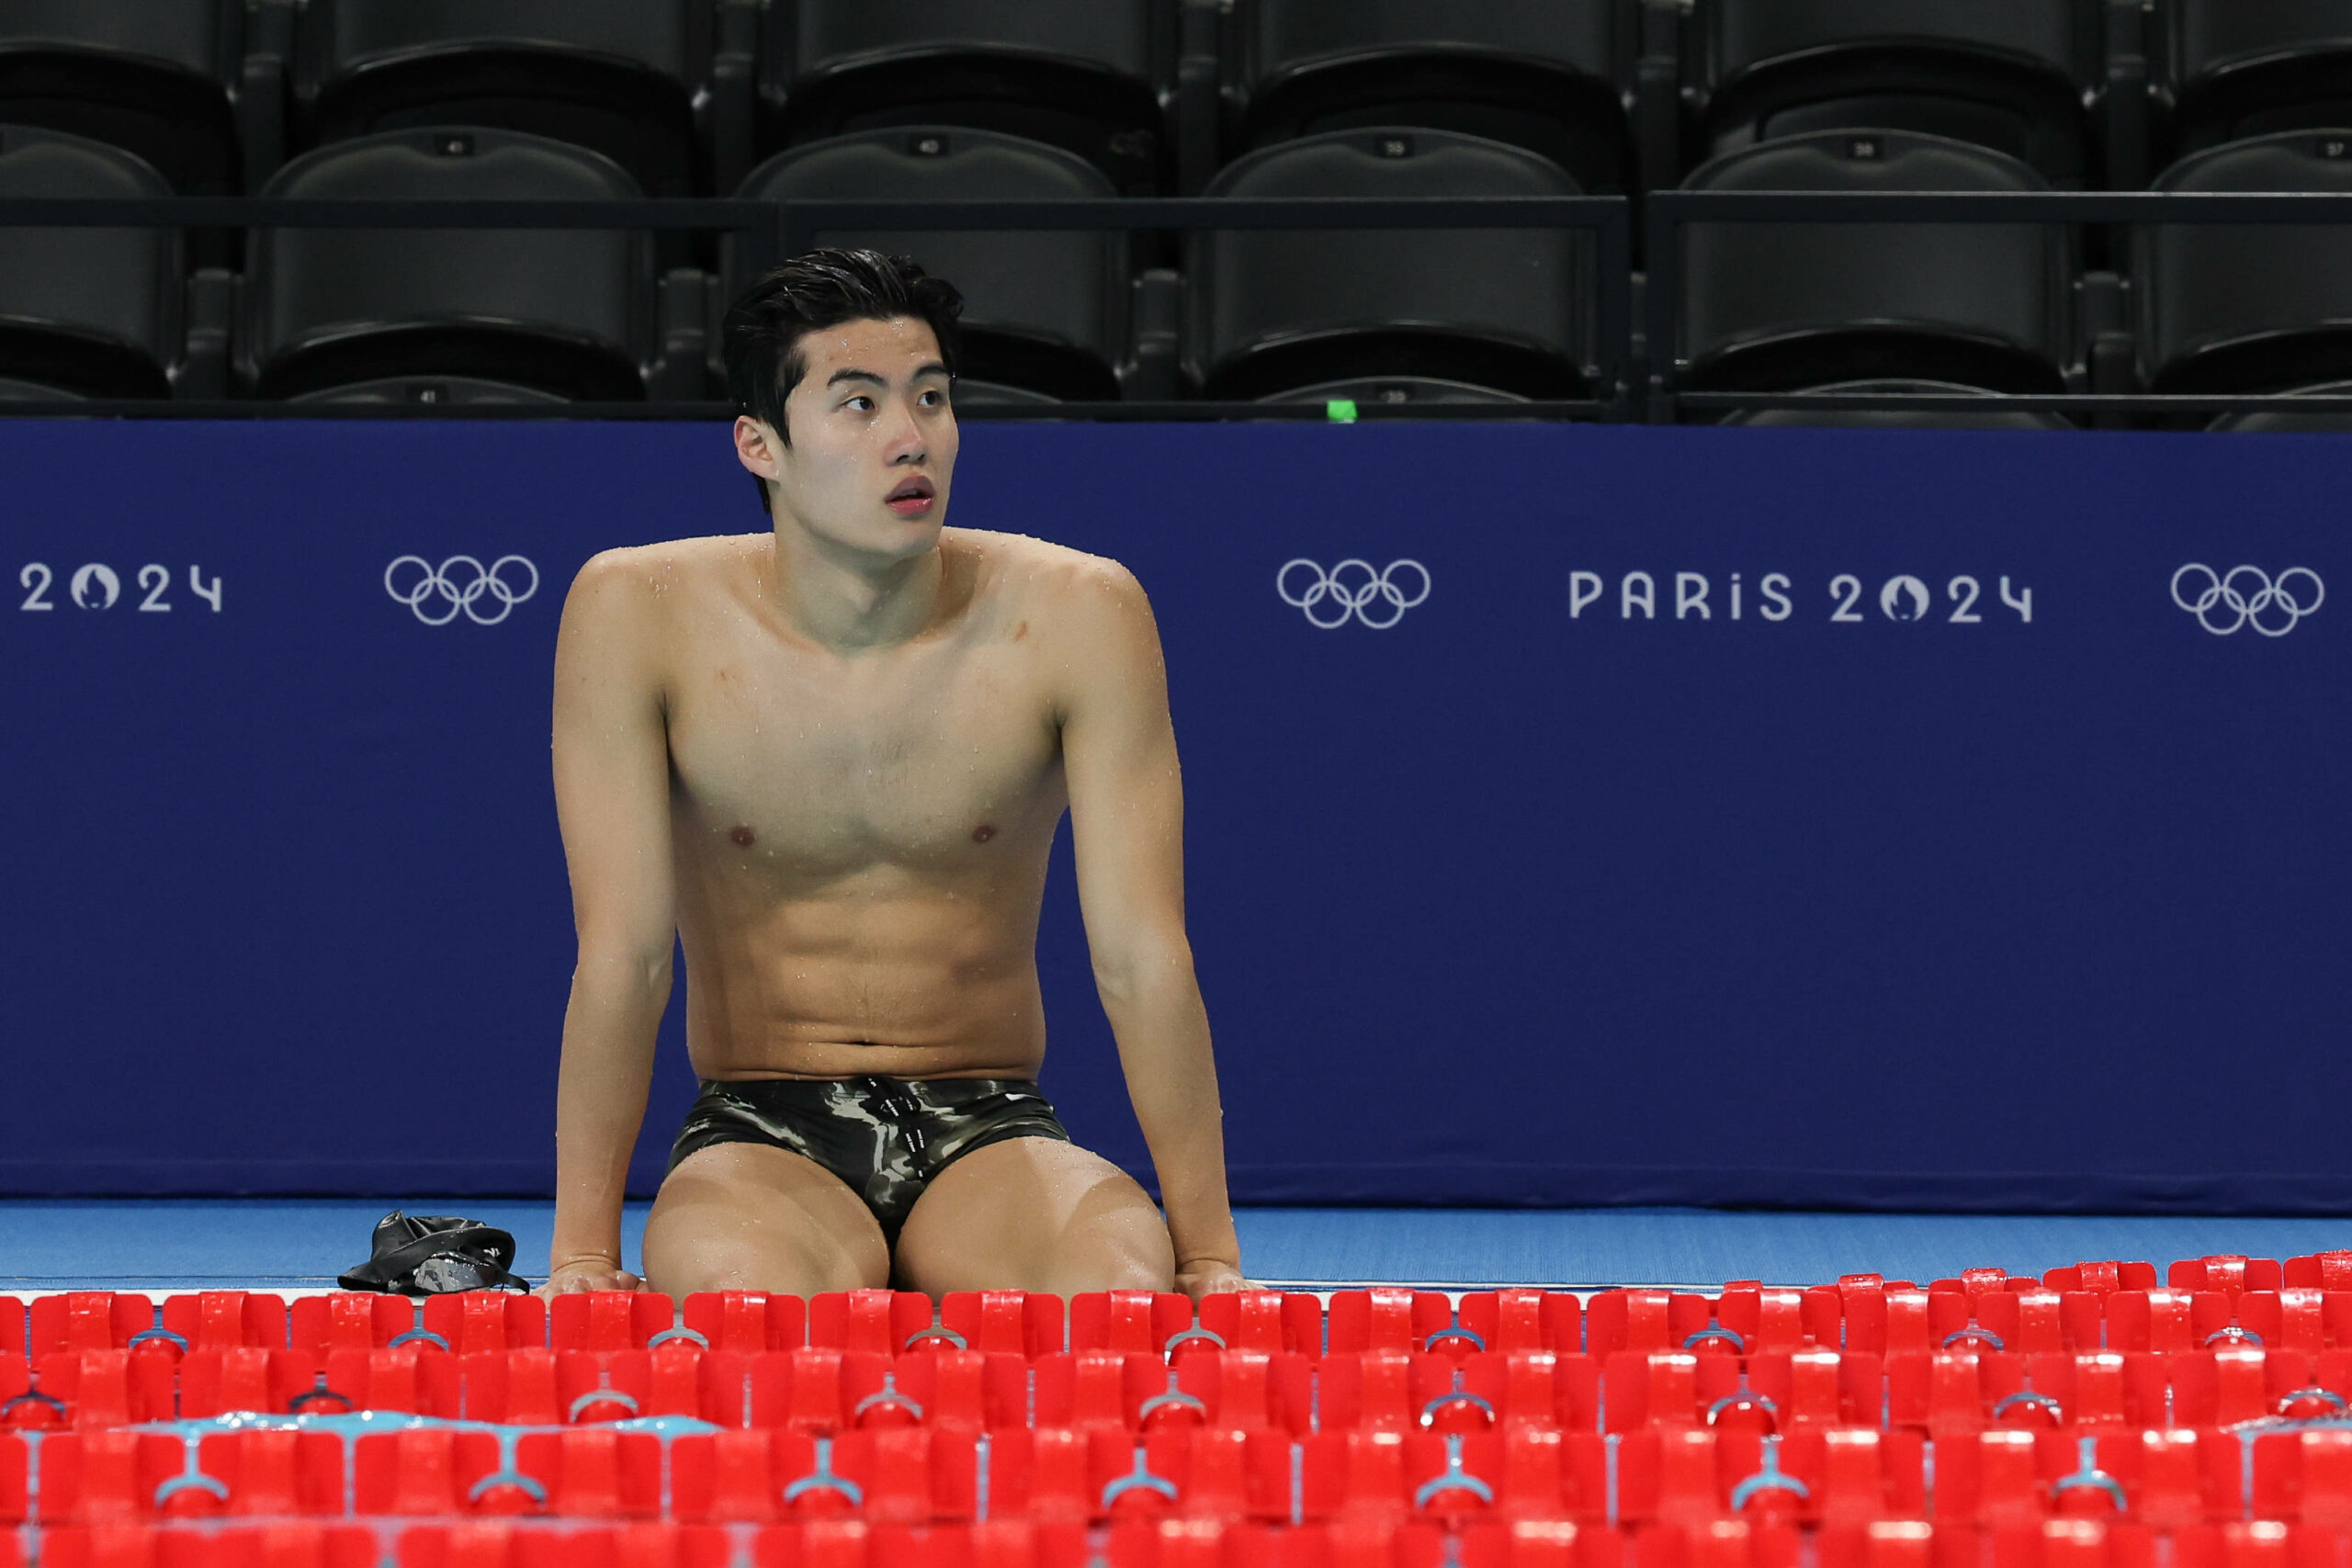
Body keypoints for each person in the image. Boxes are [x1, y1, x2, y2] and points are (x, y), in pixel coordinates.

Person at [542, 249, 1246, 1303]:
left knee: (1111, 1305)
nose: (910, 439)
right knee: (757, 1318)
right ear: (760, 445)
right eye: (857, 405)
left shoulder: (1078, 614)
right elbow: (625, 958)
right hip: (760, 1131)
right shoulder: (636, 613)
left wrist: (1209, 1260)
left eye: (930, 398)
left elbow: (1141, 957)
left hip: (991, 1124)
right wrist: (584, 1261)